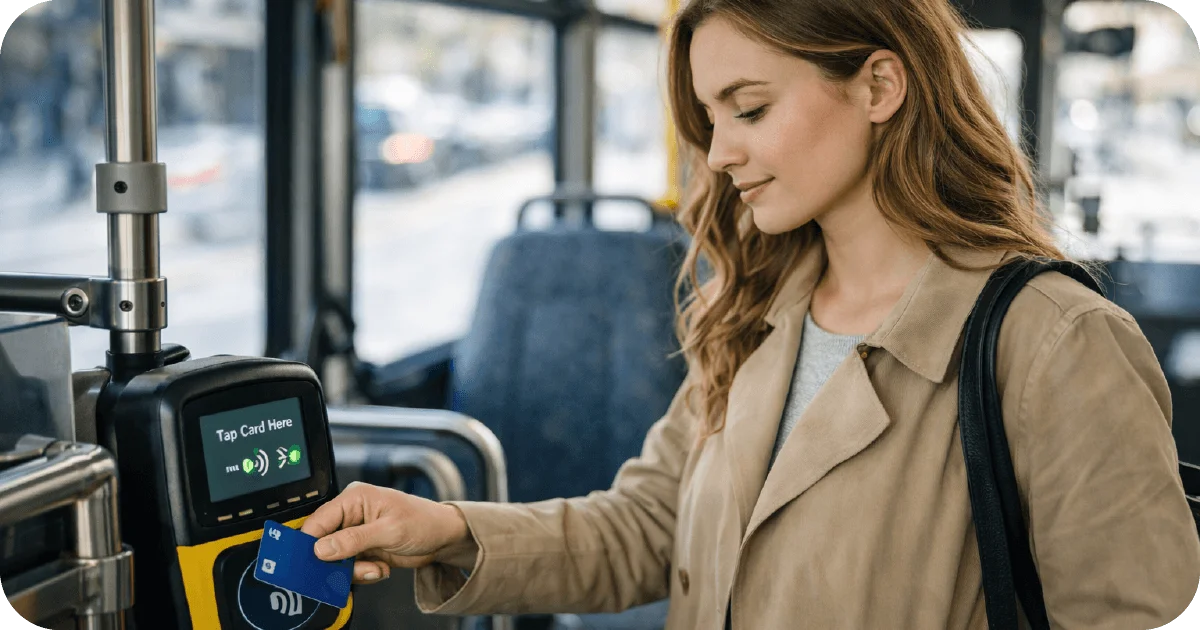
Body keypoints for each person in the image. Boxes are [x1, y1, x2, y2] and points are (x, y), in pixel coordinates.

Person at [301, 0, 1200, 627]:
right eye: (710, 118)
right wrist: (451, 530)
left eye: (750, 109)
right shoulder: (756, 312)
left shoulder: (1054, 344)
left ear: (879, 87)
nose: (721, 153)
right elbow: (648, 527)